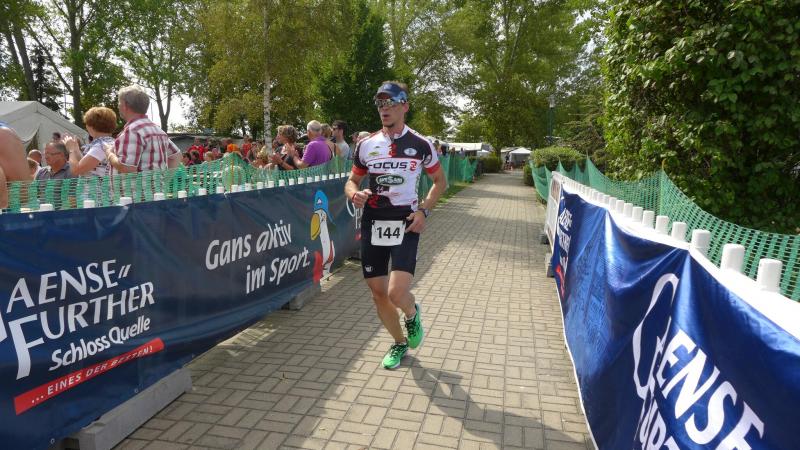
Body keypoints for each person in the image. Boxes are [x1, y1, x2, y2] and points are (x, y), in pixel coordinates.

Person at [345, 81, 446, 369]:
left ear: (405, 106)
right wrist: (354, 194)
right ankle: (399, 342)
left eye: (390, 102)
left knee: (396, 293)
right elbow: (352, 180)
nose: (384, 108)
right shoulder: (366, 144)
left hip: (405, 222)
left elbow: (440, 182)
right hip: (373, 221)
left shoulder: (421, 144)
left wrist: (424, 211)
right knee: (378, 294)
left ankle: (412, 313)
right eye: (380, 103)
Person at [104, 85, 181, 175]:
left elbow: (127, 169)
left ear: (125, 105)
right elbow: (177, 156)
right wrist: (166, 180)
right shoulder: (158, 131)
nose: (118, 106)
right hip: (157, 184)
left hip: (133, 185)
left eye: (119, 103)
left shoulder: (132, 131)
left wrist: (109, 153)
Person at [64, 106, 116, 179]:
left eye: (86, 123)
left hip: (96, 186)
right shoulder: (111, 142)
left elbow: (76, 170)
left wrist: (71, 150)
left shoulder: (100, 146)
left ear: (91, 126)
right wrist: (76, 149)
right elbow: (85, 167)